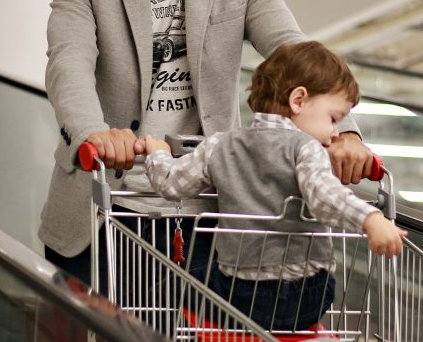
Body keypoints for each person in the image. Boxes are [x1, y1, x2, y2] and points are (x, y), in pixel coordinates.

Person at [40, 0, 375, 286]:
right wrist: (92, 132)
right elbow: (70, 60)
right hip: (104, 205)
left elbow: (292, 50)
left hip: (214, 211)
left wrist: (343, 129)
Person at [144, 41, 405, 330]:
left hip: (238, 295)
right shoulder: (307, 149)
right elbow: (324, 195)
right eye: (334, 119)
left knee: (169, 285)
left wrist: (158, 153)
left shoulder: (220, 144)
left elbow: (171, 185)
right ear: (298, 100)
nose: (334, 134)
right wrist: (370, 218)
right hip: (309, 298)